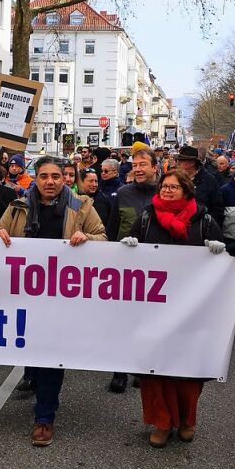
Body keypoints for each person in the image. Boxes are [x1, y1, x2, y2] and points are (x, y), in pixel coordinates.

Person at [0, 156, 106, 446]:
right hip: (25, 294)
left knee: (52, 354)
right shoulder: (18, 206)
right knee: (32, 350)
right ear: (37, 178)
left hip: (61, 296)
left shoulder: (81, 207)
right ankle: (37, 385)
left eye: (56, 176)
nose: (50, 182)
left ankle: (45, 417)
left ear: (65, 179)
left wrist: (86, 238)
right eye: (44, 176)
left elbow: (103, 238)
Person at [123, 168, 225, 447]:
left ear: (186, 190)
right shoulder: (146, 218)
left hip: (191, 309)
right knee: (154, 368)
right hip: (153, 307)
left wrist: (219, 250)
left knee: (188, 370)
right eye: (164, 186)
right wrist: (128, 248)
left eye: (174, 187)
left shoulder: (202, 220)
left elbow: (223, 261)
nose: (167, 191)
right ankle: (162, 421)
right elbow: (129, 255)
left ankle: (186, 419)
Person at [105, 147, 161, 393]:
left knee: (150, 321)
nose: (137, 169)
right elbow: (112, 227)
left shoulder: (166, 193)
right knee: (123, 320)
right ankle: (120, 371)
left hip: (156, 270)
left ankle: (143, 367)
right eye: (134, 165)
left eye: (143, 165)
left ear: (154, 168)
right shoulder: (123, 193)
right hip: (126, 268)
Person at [174, 145, 223, 224]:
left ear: (192, 163)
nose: (178, 163)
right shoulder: (174, 179)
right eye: (177, 160)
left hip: (200, 229)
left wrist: (207, 225)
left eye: (181, 161)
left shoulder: (209, 180)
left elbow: (217, 208)